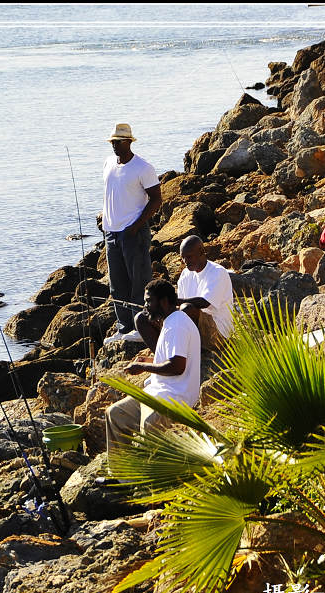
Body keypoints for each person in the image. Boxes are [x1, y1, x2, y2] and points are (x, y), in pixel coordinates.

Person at [105, 279, 201, 471]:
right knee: (114, 414)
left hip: (175, 397)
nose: (145, 306)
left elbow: (177, 367)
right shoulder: (169, 322)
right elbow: (171, 359)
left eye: (149, 301)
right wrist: (148, 362)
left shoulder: (177, 324)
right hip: (156, 392)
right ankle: (120, 474)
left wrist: (143, 367)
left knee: (149, 425)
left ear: (164, 301)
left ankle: (152, 481)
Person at [100, 123, 162, 346]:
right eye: (113, 142)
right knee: (117, 283)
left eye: (119, 141)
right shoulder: (108, 163)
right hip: (111, 232)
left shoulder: (143, 167)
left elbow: (156, 199)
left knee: (139, 281)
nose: (115, 145)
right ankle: (123, 326)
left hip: (133, 232)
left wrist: (136, 227)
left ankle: (140, 326)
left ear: (129, 142)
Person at [138, 235, 234, 351]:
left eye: (189, 257)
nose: (185, 261)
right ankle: (162, 356)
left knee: (186, 309)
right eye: (183, 258)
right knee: (142, 318)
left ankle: (181, 352)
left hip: (218, 333)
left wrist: (173, 301)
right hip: (189, 325)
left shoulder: (217, 272)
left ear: (201, 252)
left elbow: (204, 302)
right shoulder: (185, 274)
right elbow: (177, 308)